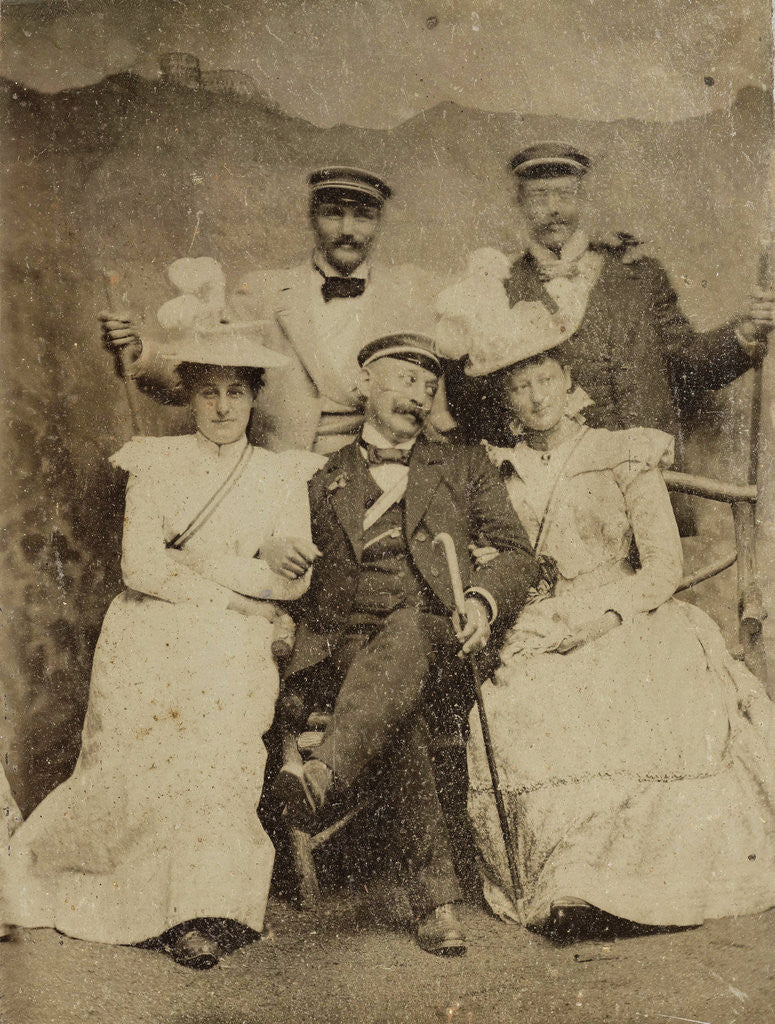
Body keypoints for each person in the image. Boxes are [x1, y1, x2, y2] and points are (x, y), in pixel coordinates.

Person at [1, 315, 322, 969]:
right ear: (188, 395)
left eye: (236, 391)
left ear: (255, 394)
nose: (223, 406)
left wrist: (208, 567)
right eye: (209, 392)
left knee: (215, 748)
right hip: (150, 627)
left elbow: (291, 584)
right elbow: (140, 568)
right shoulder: (154, 461)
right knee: (145, 749)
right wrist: (237, 583)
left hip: (237, 637)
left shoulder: (279, 475)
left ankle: (206, 904)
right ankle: (143, 901)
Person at [462, 327, 775, 939]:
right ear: (505, 401)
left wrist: (603, 617)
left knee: (644, 692)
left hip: (628, 613)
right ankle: (571, 882)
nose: (535, 398)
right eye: (519, 387)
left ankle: (652, 879)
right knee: (527, 702)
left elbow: (662, 566)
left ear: (570, 382)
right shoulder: (494, 468)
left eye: (545, 380)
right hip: (539, 620)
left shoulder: (621, 452)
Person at [273, 331, 539, 956]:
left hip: (434, 635)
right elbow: (279, 559)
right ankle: (436, 904)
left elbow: (518, 553)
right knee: (401, 708)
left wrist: (481, 599)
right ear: (364, 384)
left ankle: (325, 773)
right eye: (402, 379)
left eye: (429, 385)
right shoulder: (317, 477)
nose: (418, 395)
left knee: (412, 635)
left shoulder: (465, 463)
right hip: (340, 648)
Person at [437, 141, 775, 532]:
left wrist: (746, 331)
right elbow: (486, 411)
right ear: (519, 202)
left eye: (565, 194)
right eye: (539, 196)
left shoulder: (640, 276)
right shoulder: (502, 290)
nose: (553, 209)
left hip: (653, 483)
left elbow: (690, 366)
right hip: (563, 500)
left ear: (583, 197)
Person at [99, 167, 446, 454]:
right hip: (281, 477)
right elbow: (192, 378)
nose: (347, 231)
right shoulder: (262, 293)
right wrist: (140, 350)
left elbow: (435, 413)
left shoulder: (408, 304)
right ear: (312, 218)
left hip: (376, 483)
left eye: (363, 217)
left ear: (379, 224)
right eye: (333, 213)